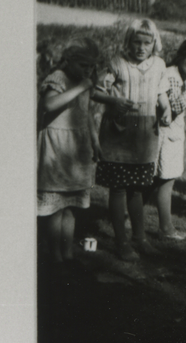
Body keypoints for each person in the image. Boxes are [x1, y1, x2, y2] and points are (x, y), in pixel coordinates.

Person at [92, 19, 172, 261]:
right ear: (128, 42)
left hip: (145, 133)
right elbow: (96, 91)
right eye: (136, 42)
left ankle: (140, 238)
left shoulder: (159, 65)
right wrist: (114, 101)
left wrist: (166, 108)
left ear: (154, 44)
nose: (141, 47)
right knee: (118, 188)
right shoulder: (117, 63)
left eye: (146, 43)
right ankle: (121, 242)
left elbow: (161, 92)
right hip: (119, 131)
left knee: (138, 188)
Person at [37, 38, 103, 271]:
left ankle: (68, 253)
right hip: (57, 148)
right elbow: (49, 105)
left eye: (92, 67)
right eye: (84, 65)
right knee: (55, 206)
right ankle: (54, 254)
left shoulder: (83, 82)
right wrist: (80, 87)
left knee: (71, 205)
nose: (89, 71)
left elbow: (86, 114)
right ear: (69, 61)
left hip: (77, 148)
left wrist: (94, 141)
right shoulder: (58, 78)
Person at [147, 36, 186, 241]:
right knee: (166, 181)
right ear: (183, 54)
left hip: (171, 134)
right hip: (167, 135)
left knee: (155, 180)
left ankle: (132, 217)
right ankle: (166, 228)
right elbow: (174, 107)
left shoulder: (180, 74)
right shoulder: (172, 75)